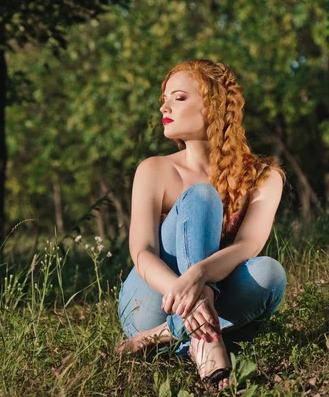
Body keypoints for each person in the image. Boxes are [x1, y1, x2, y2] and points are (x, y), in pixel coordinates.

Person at [116, 59, 287, 391]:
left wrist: (199, 275)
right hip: (152, 299)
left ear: (213, 106)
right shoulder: (154, 169)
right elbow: (142, 252)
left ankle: (162, 338)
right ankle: (207, 341)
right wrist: (191, 294)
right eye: (164, 98)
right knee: (202, 197)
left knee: (270, 274)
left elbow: (247, 246)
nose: (164, 106)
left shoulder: (264, 176)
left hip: (201, 300)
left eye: (178, 97)